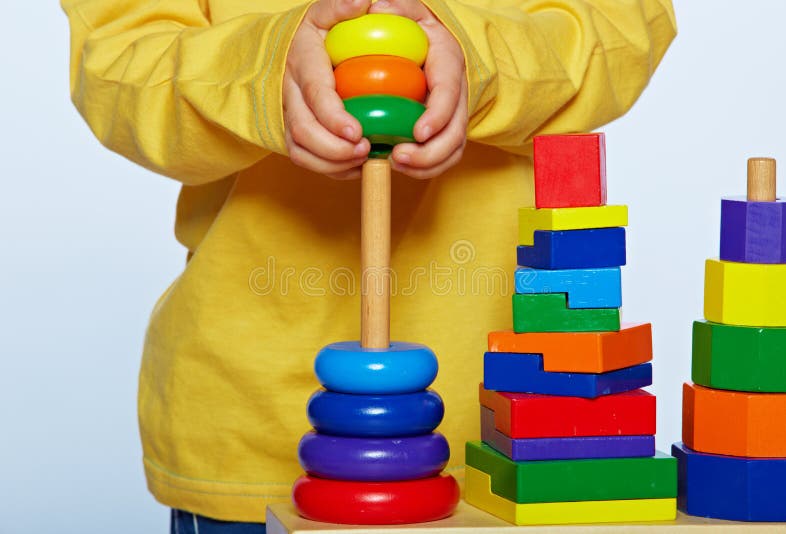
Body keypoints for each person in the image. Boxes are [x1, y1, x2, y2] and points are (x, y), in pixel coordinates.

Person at [61, 0, 676, 530]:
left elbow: (624, 26)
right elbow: (117, 59)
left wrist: (482, 63)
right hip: (251, 426)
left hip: (508, 437)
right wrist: (261, 74)